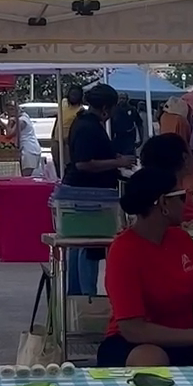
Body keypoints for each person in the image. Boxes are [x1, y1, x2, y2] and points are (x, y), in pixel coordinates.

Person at [97, 166, 193, 368]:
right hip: (133, 344)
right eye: (182, 197)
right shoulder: (123, 250)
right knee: (151, 362)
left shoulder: (182, 239)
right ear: (164, 203)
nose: (188, 202)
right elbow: (132, 328)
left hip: (185, 341)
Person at [64, 82, 134, 296]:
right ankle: (87, 298)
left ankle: (76, 297)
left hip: (82, 190)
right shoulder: (89, 127)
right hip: (89, 192)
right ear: (106, 108)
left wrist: (115, 158)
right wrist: (117, 164)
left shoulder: (82, 122)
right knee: (89, 246)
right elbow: (84, 163)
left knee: (78, 245)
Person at [50, 85, 84, 174]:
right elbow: (58, 118)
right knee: (56, 162)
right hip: (56, 139)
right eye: (72, 94)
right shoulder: (63, 102)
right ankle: (59, 178)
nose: (74, 97)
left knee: (68, 164)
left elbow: (78, 126)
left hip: (68, 142)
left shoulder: (80, 109)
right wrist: (53, 134)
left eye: (76, 95)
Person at [110, 92, 142, 157]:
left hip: (129, 137)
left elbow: (139, 124)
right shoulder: (113, 109)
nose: (121, 100)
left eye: (123, 98)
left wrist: (141, 138)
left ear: (127, 99)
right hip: (117, 136)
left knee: (129, 156)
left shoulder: (132, 109)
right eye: (120, 98)